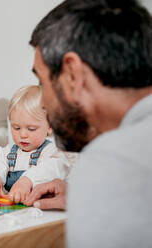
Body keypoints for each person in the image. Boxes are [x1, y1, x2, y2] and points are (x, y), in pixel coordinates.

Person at [25, 0, 152, 247]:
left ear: (73, 74)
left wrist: (99, 186)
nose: (42, 103)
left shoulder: (112, 161)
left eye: (42, 83)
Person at [0, 85, 71, 203]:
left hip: (42, 210)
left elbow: (51, 169)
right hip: (15, 210)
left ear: (50, 126)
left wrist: (26, 181)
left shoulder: (52, 151)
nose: (23, 134)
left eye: (31, 129)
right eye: (16, 128)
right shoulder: (9, 153)